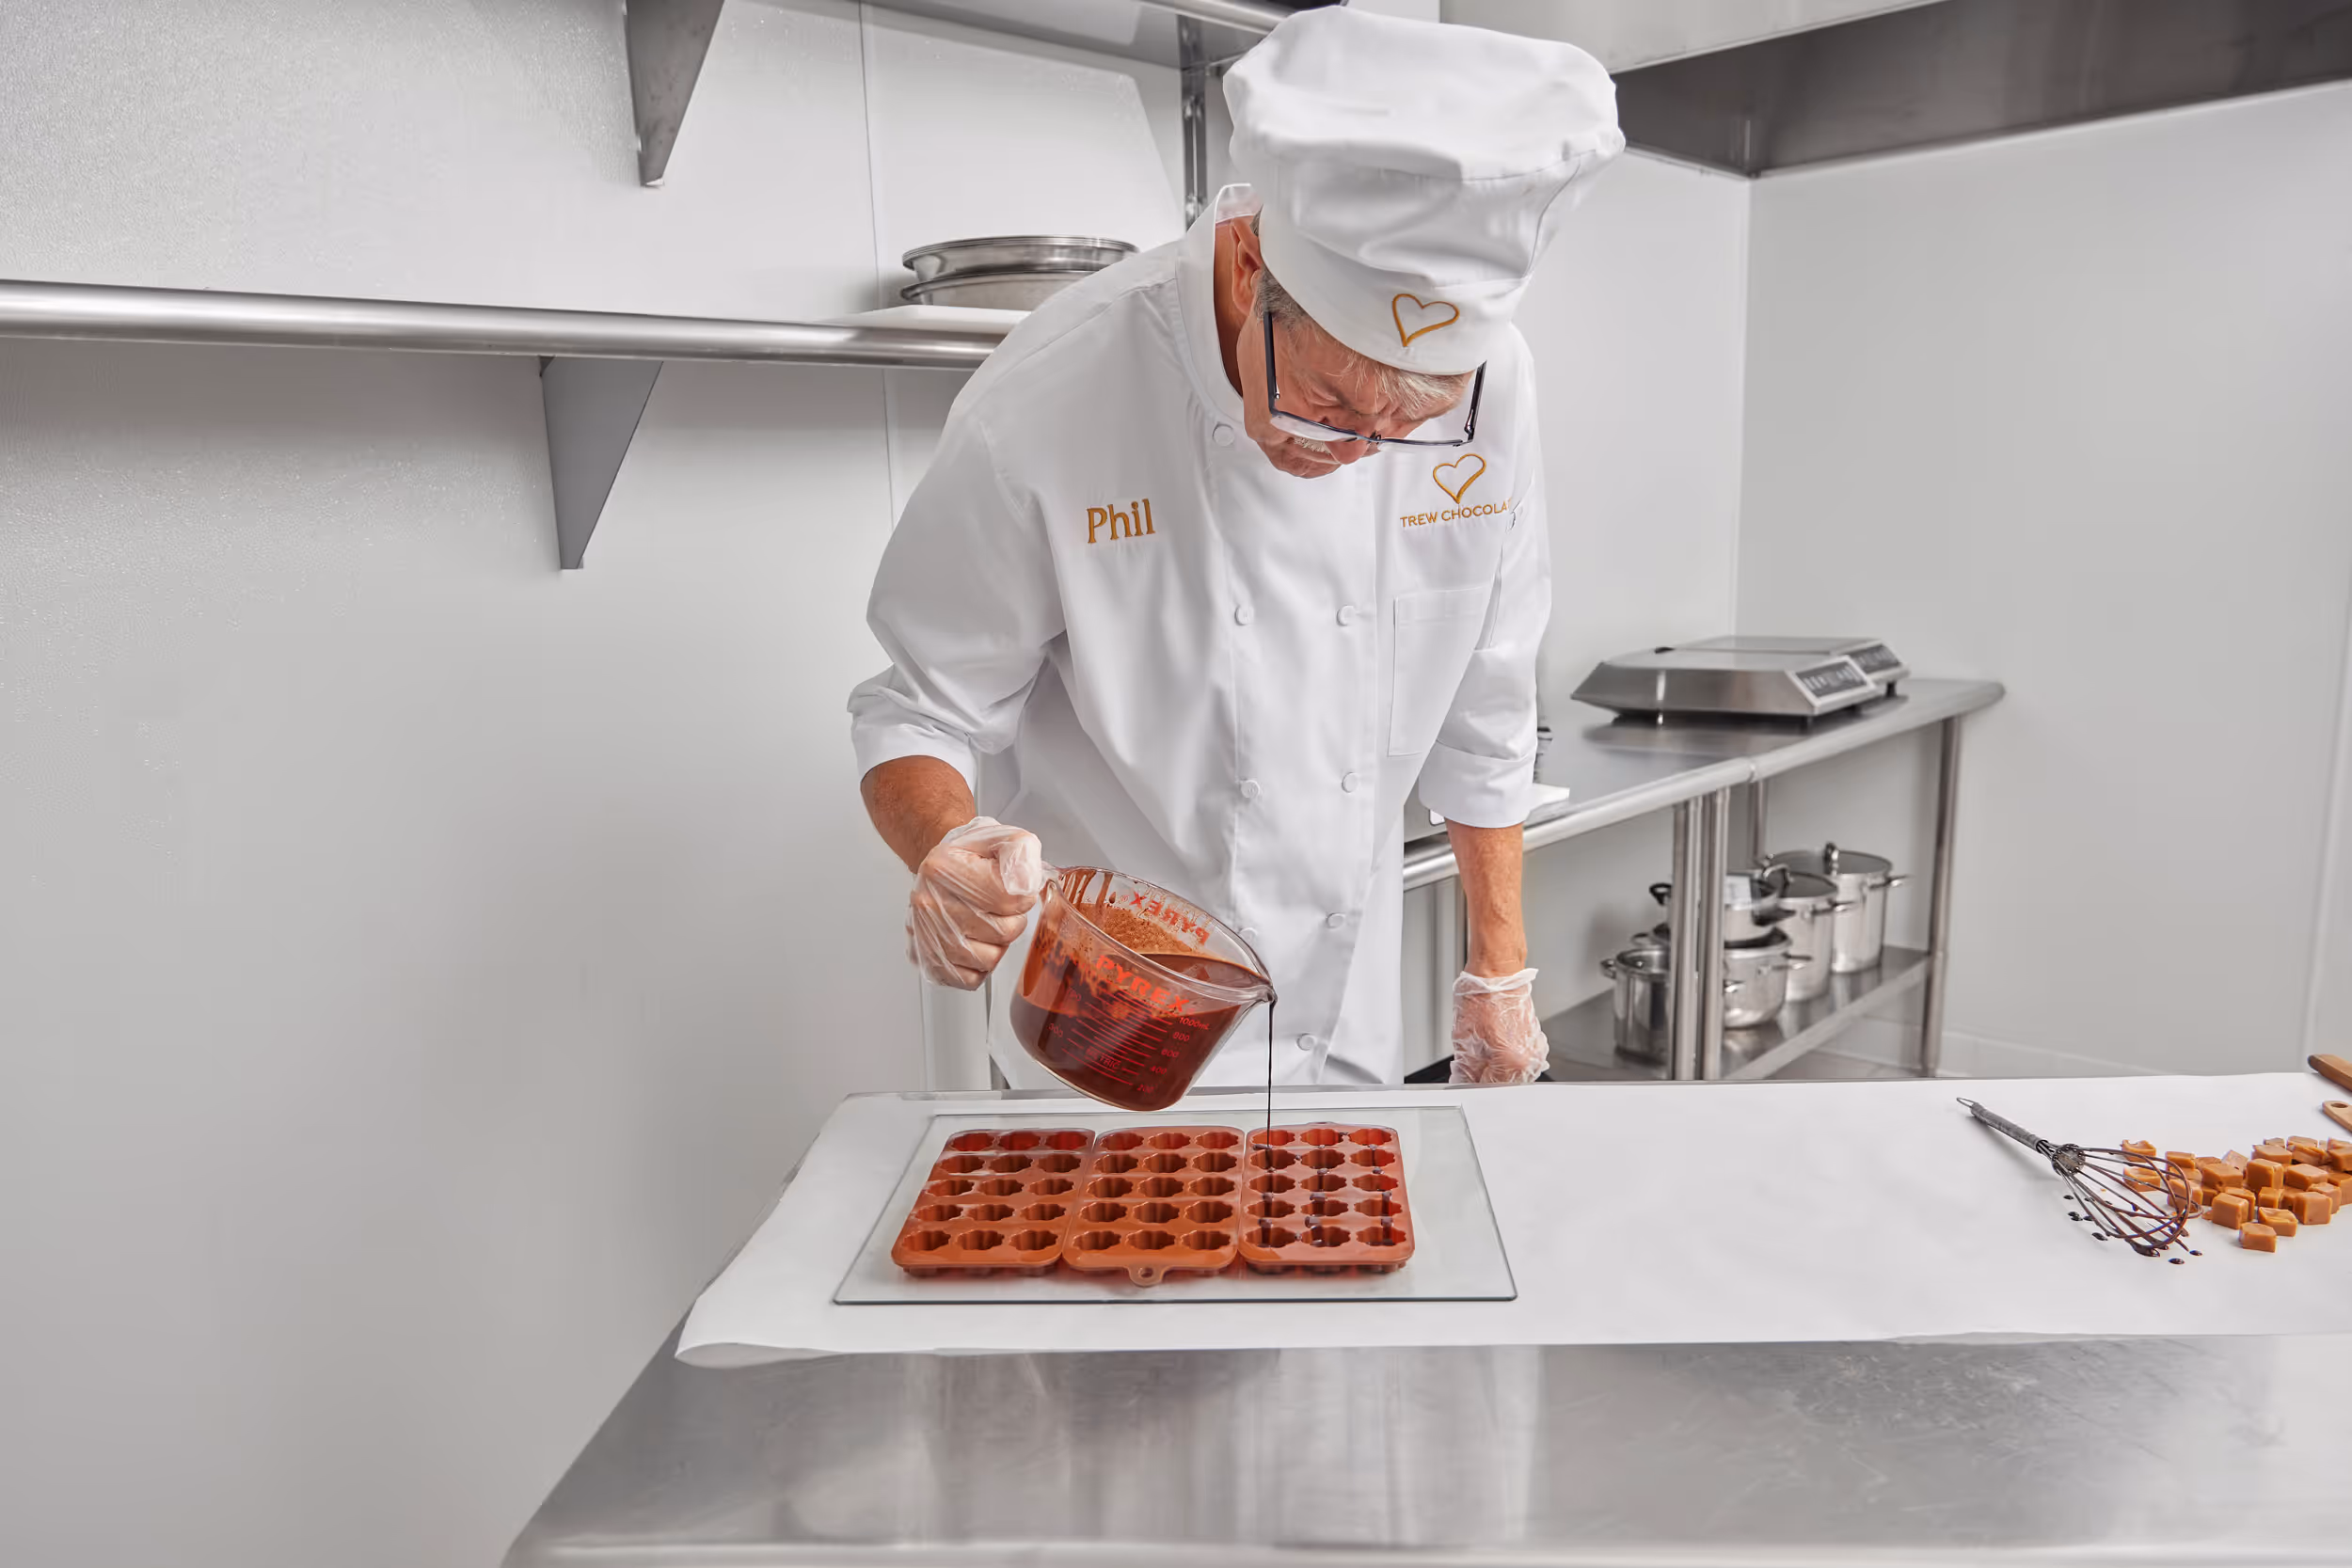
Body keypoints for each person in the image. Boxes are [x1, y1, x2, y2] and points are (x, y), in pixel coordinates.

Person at [850, 6, 1622, 1087]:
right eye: (1327, 403)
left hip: (1351, 1024)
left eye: (1411, 427)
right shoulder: (1053, 393)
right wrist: (944, 844)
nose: (1361, 451)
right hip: (1098, 1024)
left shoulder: (1496, 386)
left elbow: (1486, 704)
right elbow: (916, 706)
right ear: (1252, 263)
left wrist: (1498, 971)